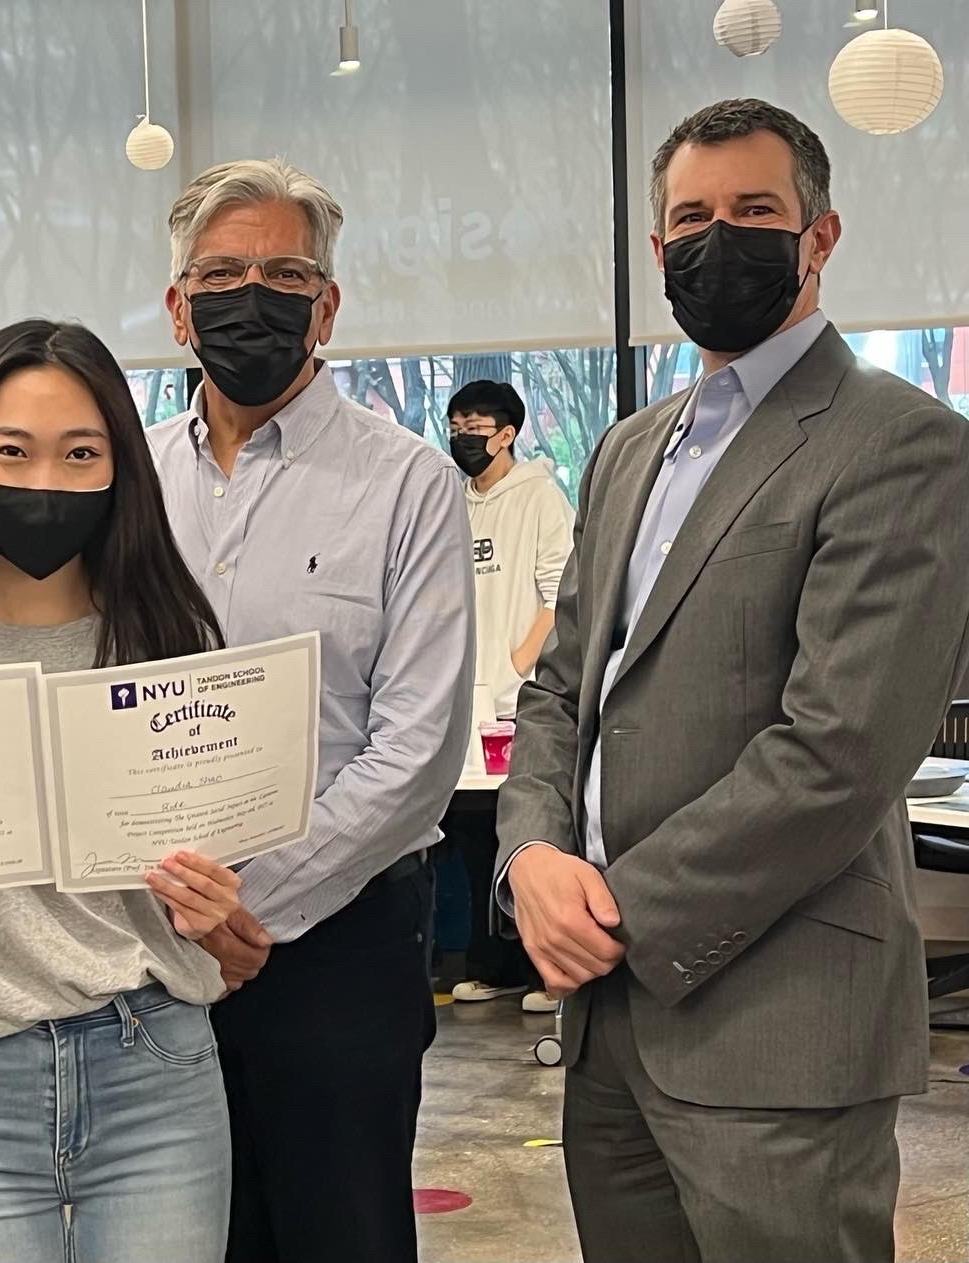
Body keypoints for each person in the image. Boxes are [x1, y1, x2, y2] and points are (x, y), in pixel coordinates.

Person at [495, 97, 969, 1263]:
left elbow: (841, 751)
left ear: (821, 234)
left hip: (778, 1020)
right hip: (606, 1028)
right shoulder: (626, 447)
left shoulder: (901, 443)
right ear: (658, 253)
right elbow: (563, 687)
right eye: (691, 218)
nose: (721, 238)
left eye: (755, 210)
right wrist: (531, 858)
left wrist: (617, 913)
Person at [0, 319, 238, 1263]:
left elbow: (218, 869)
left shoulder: (178, 651)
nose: (44, 482)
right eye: (11, 452)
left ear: (121, 468)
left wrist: (212, 905)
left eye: (81, 453)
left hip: (158, 1068)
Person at [150, 158, 475, 1263]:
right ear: (177, 306)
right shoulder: (127, 482)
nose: (254, 295)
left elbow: (418, 751)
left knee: (345, 1233)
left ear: (326, 305)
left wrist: (251, 909)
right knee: (186, 1235)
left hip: (341, 944)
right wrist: (187, 918)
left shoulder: (409, 483)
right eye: (223, 273)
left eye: (285, 273)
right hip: (149, 940)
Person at [443, 379, 572, 1012]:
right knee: (468, 837)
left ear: (507, 433)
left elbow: (560, 597)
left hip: (517, 698)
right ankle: (490, 965)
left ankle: (543, 966)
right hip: (461, 699)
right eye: (456, 424)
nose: (464, 435)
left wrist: (519, 667)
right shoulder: (452, 501)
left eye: (476, 424)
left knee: (524, 831)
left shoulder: (541, 498)